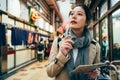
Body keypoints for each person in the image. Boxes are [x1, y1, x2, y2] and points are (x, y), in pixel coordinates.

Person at [46, 4, 100, 80]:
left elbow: (96, 71)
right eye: (72, 13)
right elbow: (50, 73)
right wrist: (62, 54)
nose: (74, 16)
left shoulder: (94, 45)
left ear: (86, 22)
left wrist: (95, 76)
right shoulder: (59, 42)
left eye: (79, 14)